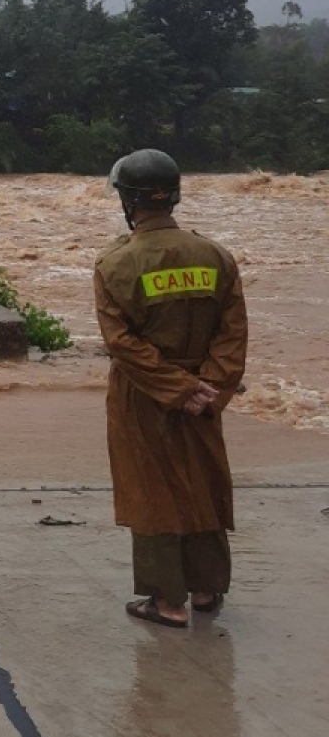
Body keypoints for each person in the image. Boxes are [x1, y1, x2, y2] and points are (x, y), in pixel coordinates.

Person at [94, 149, 248, 628]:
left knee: (153, 491)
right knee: (203, 483)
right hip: (204, 394)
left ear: (129, 200)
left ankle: (166, 601)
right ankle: (206, 590)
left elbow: (121, 343)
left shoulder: (115, 264)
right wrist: (209, 387)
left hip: (144, 395)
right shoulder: (215, 256)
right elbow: (233, 331)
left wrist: (174, 386)